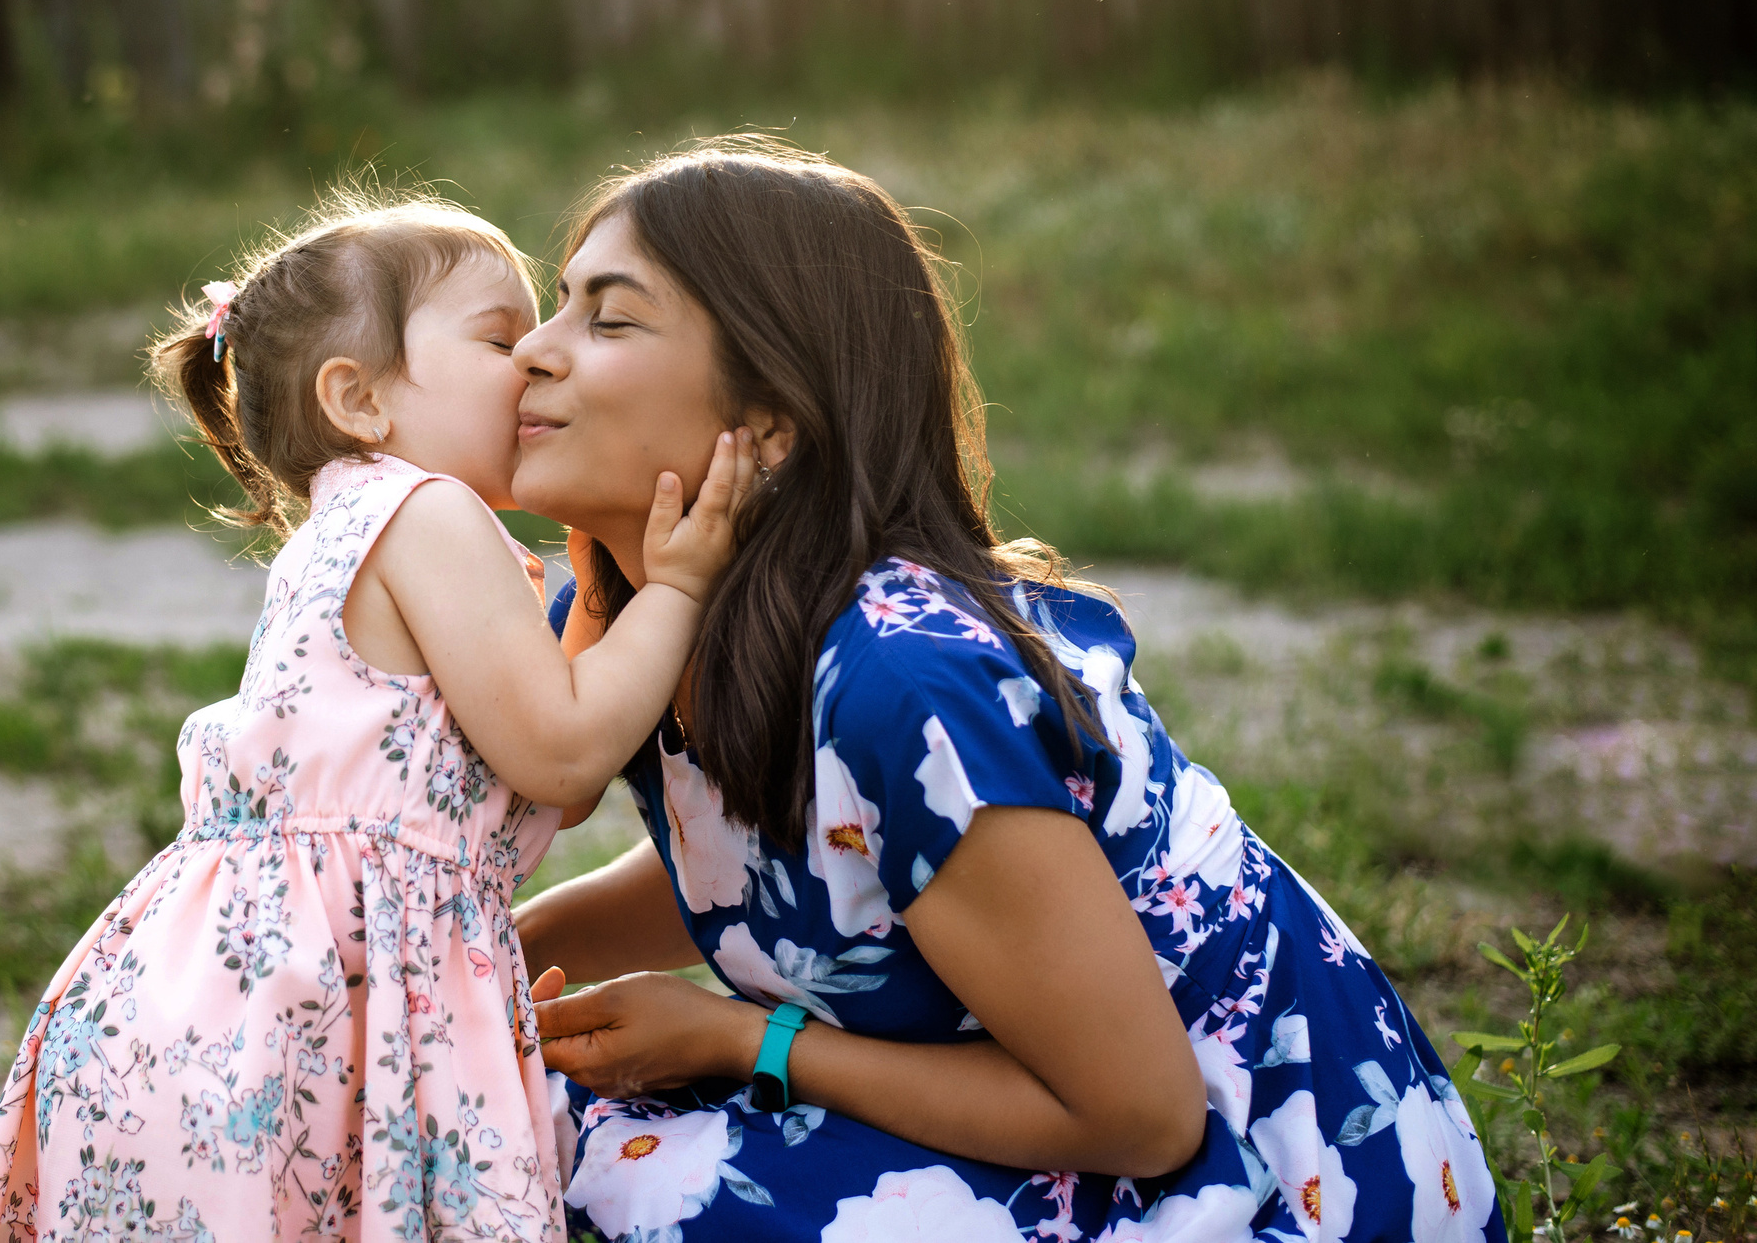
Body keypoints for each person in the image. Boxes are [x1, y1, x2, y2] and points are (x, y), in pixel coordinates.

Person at [509, 139, 1501, 1243]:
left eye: (609, 319)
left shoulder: (906, 679)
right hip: (1046, 1112)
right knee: (490, 1095)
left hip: (1254, 1168)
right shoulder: (645, 618)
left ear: (774, 420)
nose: (532, 349)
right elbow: (766, 860)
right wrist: (469, 961)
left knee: (631, 1176)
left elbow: (1141, 1113)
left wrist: (745, 1040)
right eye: (558, 304)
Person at [0, 192, 755, 1243]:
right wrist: (679, 589)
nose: (533, 359)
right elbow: (564, 751)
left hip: (242, 987)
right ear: (359, 398)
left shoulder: (358, 519)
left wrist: (601, 589)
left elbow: (537, 786)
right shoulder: (428, 513)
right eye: (499, 338)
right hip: (327, 993)